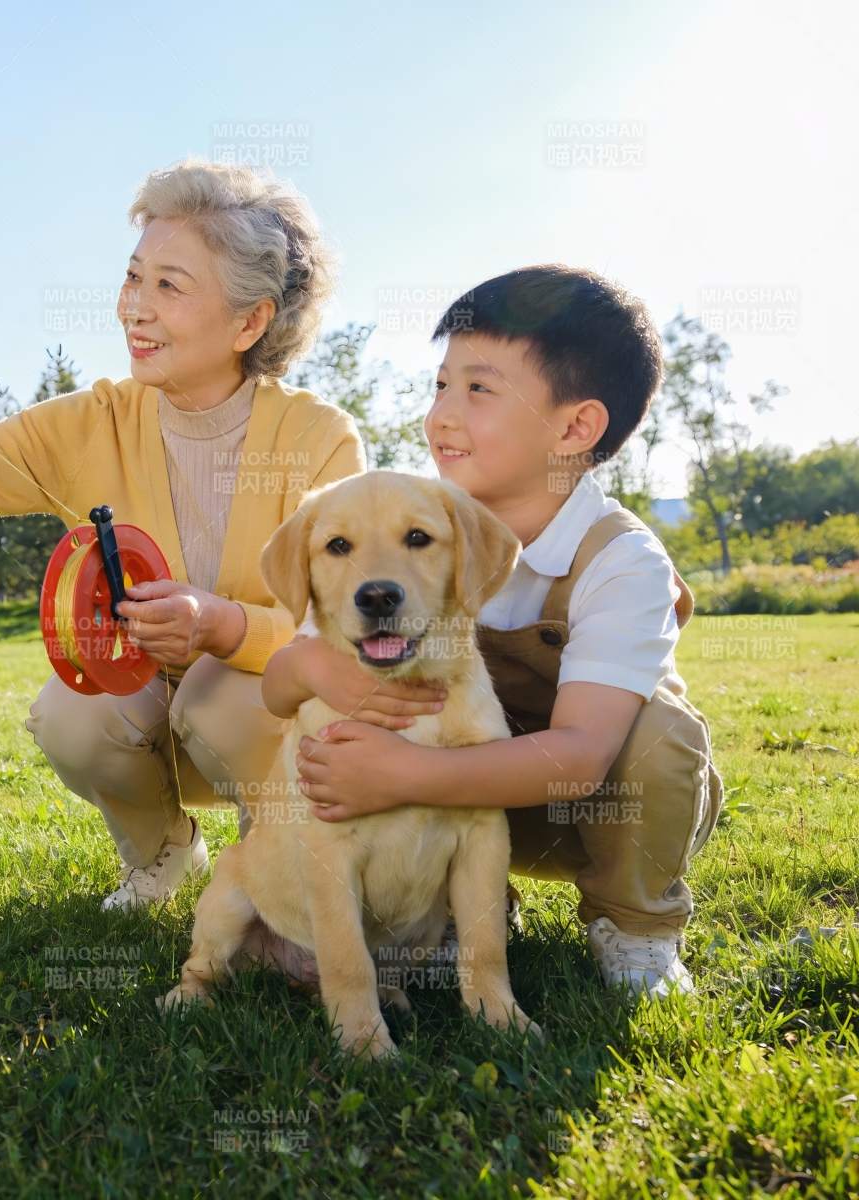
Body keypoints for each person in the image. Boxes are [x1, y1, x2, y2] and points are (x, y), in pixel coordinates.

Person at [0, 158, 418, 910]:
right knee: (73, 713)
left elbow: (339, 628)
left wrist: (221, 626)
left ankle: (282, 850)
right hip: (150, 707)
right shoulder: (88, 423)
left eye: (170, 285)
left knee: (220, 701)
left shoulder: (318, 437)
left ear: (249, 320)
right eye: (134, 278)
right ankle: (163, 854)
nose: (136, 307)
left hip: (265, 713)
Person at [266, 265, 724, 997]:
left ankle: (636, 924)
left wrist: (402, 772)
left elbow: (580, 757)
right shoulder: (417, 521)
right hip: (478, 805)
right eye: (440, 386)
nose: (442, 415)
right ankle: (451, 910)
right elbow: (293, 666)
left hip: (598, 809)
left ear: (575, 427)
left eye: (478, 389)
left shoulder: (621, 560)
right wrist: (314, 673)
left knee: (658, 734)